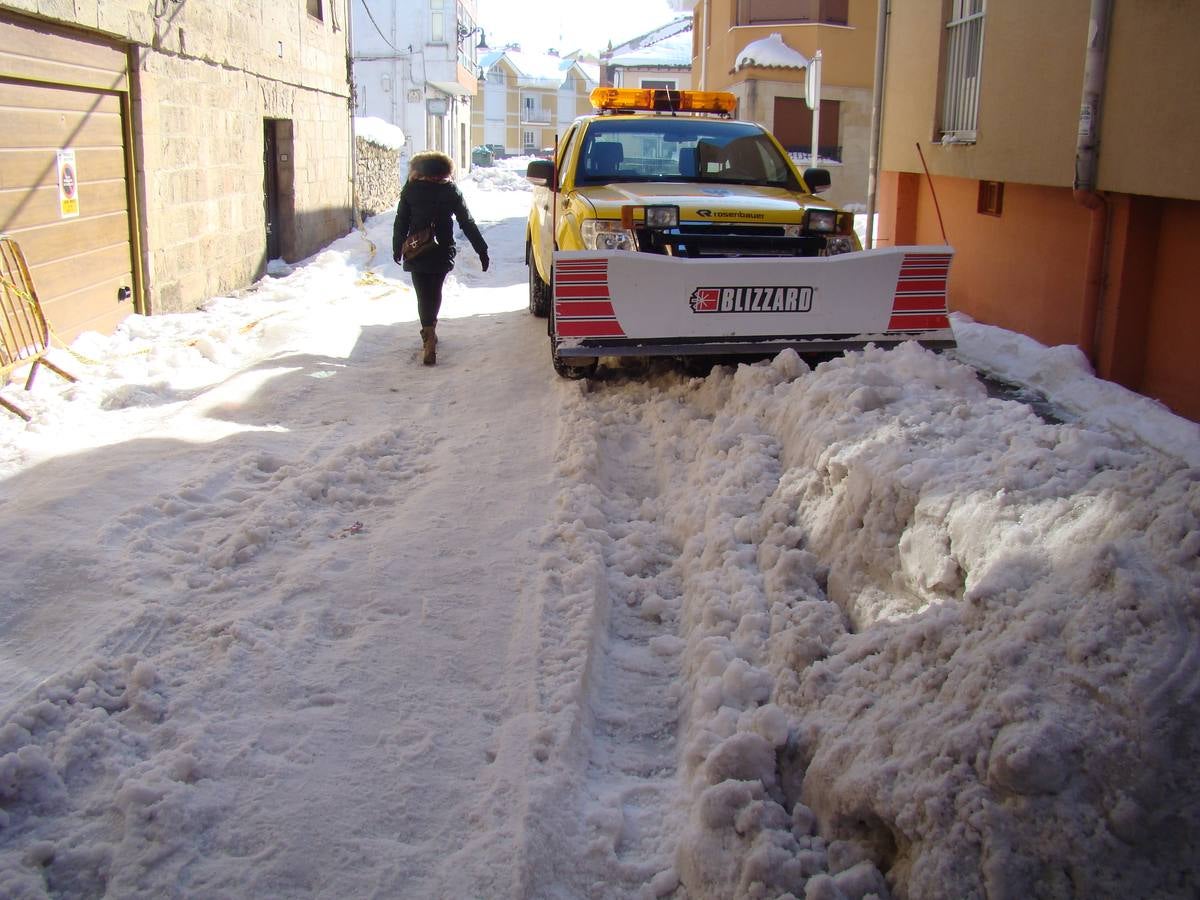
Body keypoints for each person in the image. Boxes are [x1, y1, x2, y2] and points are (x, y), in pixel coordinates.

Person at [392, 151, 489, 365]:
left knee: (422, 294)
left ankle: (428, 336)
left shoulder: (411, 189)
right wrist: (481, 249)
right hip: (441, 250)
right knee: (434, 292)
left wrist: (397, 247)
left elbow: (401, 220)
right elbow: (467, 221)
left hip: (417, 250)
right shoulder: (450, 190)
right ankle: (430, 334)